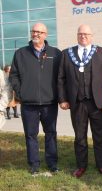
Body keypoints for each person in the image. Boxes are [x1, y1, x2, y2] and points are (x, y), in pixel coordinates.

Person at [58, 24, 102, 178]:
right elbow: (60, 78)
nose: (83, 36)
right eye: (80, 33)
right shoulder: (66, 54)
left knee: (99, 136)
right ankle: (81, 166)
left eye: (86, 34)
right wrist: (62, 99)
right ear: (77, 35)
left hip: (97, 103)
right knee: (80, 136)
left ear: (92, 36)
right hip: (77, 103)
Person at [9, 22, 61, 174]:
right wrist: (21, 93)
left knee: (51, 133)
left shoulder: (56, 53)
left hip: (49, 103)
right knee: (31, 135)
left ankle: (52, 163)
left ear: (45, 34)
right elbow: (14, 76)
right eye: (33, 31)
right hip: (28, 104)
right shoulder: (21, 53)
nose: (35, 34)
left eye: (39, 31)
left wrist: (59, 96)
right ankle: (34, 165)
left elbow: (60, 77)